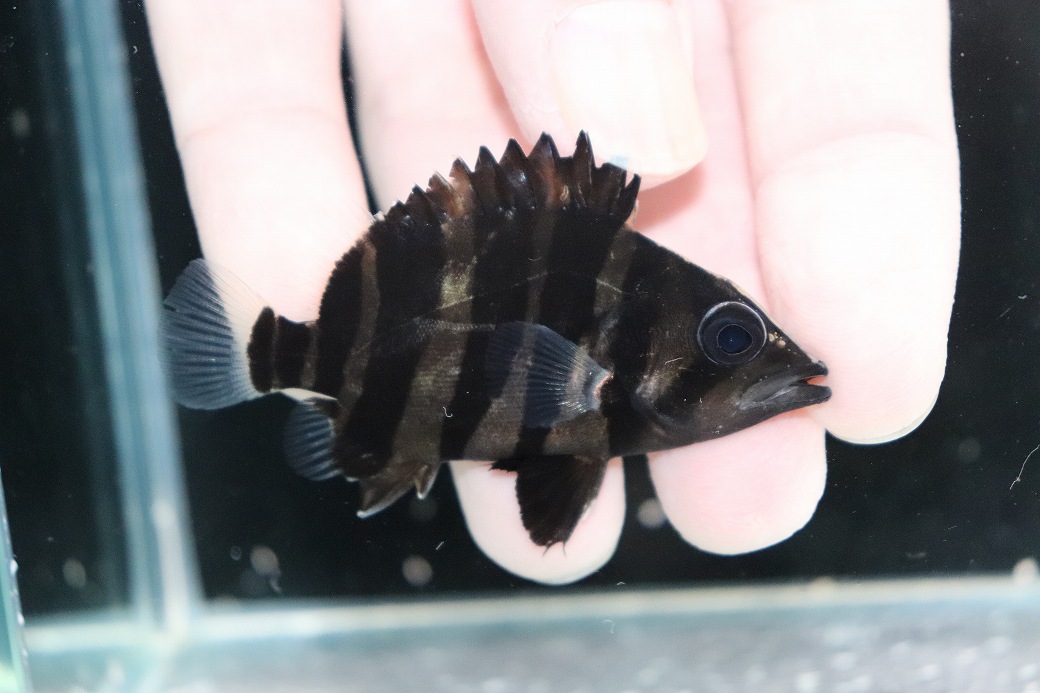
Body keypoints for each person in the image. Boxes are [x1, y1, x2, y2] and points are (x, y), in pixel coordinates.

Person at [144, 0, 961, 584]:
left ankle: (275, 355)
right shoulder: (596, 353)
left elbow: (552, 474)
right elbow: (551, 465)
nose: (753, 357)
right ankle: (267, 353)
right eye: (730, 338)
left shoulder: (609, 339)